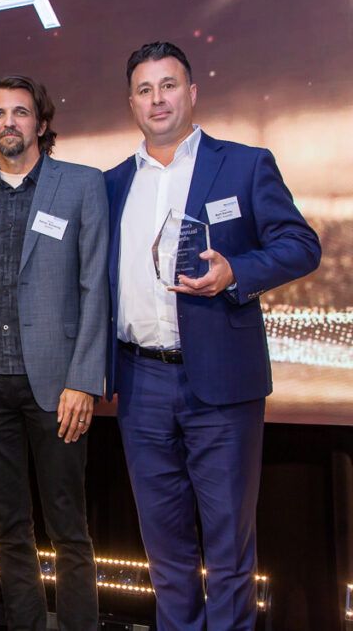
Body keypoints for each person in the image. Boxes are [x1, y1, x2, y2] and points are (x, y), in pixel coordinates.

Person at [105, 42, 322, 631]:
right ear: (131, 103)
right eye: (145, 90)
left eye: (169, 85)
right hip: (139, 381)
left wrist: (237, 273)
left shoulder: (245, 164)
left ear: (192, 93)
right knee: (166, 552)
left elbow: (301, 245)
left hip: (223, 385)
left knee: (227, 550)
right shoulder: (112, 185)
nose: (158, 99)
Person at [0, 75, 107, 631]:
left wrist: (84, 379)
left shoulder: (80, 185)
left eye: (20, 113)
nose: (9, 124)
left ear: (41, 124)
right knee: (9, 528)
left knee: (68, 528)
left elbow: (96, 286)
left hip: (58, 386)